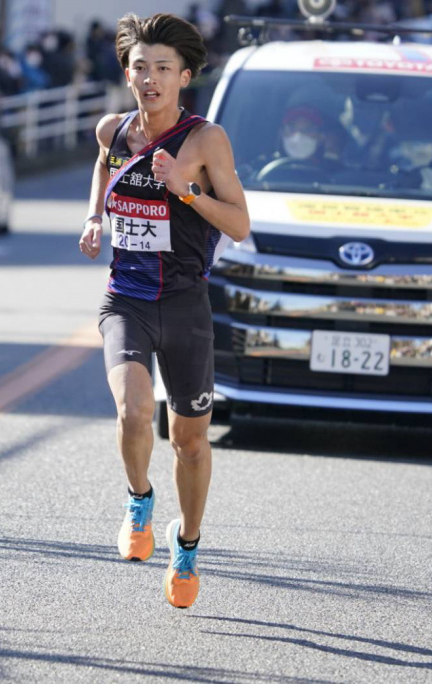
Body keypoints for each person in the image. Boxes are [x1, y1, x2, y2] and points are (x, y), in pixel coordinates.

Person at [78, 12, 249, 609]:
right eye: (140, 67)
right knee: (132, 412)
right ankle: (139, 499)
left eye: (162, 69)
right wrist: (95, 215)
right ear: (127, 73)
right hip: (126, 297)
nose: (150, 79)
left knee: (191, 442)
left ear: (185, 77)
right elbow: (104, 168)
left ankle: (187, 546)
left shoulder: (205, 141)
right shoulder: (113, 130)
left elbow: (241, 226)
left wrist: (186, 187)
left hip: (184, 303)